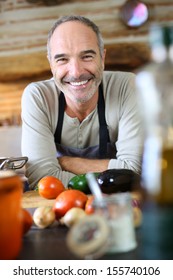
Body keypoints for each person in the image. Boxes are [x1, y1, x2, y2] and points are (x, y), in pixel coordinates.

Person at [21, 15, 144, 190]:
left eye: (86, 56)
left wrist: (68, 163)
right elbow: (42, 180)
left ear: (102, 57)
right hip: (62, 210)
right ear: (51, 63)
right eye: (62, 59)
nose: (76, 72)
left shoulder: (127, 87)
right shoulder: (38, 96)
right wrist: (114, 172)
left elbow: (134, 173)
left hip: (118, 208)